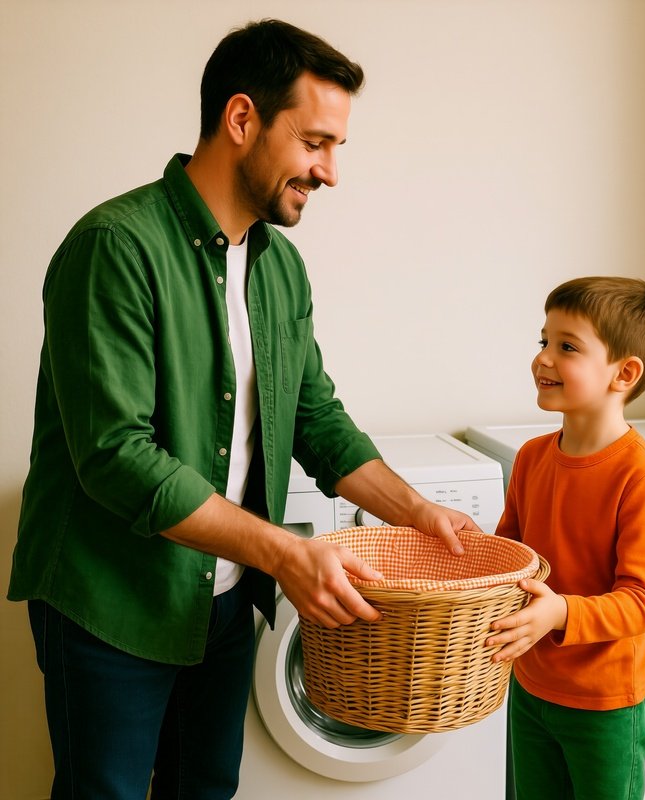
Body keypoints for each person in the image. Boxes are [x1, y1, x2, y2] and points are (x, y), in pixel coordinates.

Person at [7, 19, 478, 800]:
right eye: (315, 142)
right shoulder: (114, 247)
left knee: (206, 791)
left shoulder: (280, 268)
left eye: (336, 150)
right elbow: (117, 459)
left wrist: (420, 512)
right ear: (241, 120)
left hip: (222, 607)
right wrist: (287, 555)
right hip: (110, 607)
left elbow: (317, 420)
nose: (329, 172)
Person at [486, 276, 645, 800]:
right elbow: (514, 557)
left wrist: (559, 614)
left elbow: (642, 603)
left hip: (607, 703)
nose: (543, 359)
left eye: (567, 347)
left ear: (625, 373)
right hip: (531, 687)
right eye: (543, 341)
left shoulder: (642, 477)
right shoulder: (530, 458)